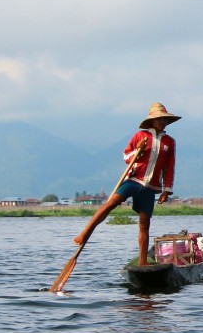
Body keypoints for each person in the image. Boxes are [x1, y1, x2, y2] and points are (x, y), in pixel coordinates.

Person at [73, 102, 180, 266]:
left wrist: (166, 190)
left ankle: (143, 262)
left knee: (144, 224)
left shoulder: (169, 142)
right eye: (158, 119)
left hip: (150, 187)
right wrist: (138, 151)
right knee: (111, 204)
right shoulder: (140, 136)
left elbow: (170, 167)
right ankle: (85, 232)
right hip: (134, 180)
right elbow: (126, 156)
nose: (162, 122)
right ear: (151, 121)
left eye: (164, 119)